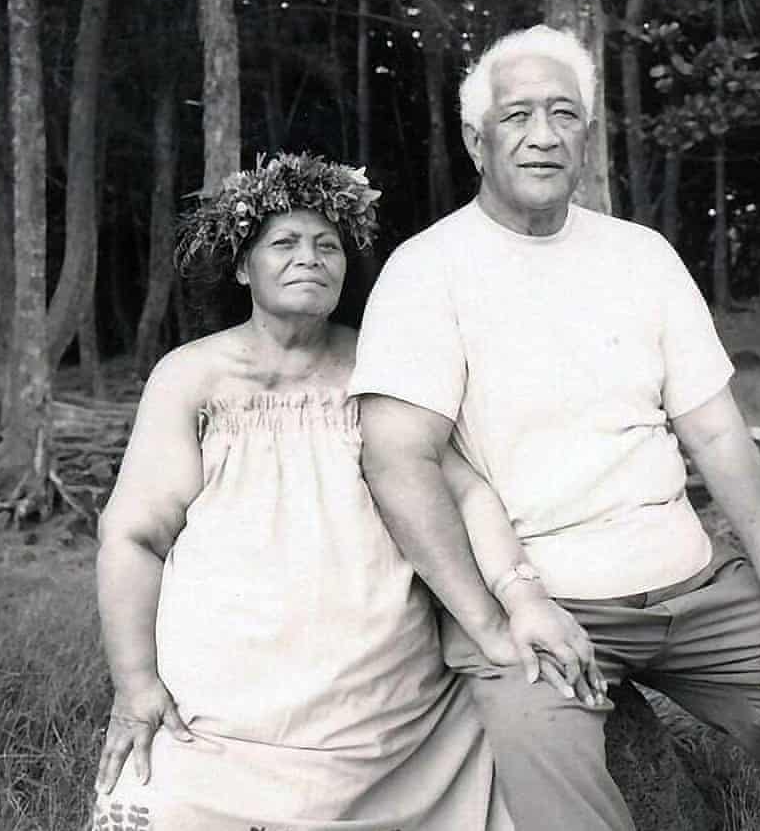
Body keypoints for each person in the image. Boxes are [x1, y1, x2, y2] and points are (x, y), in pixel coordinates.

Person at [348, 25, 760, 831]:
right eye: (518, 115)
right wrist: (494, 624)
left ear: (588, 134)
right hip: (542, 600)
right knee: (566, 811)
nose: (544, 135)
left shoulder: (641, 255)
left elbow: (721, 436)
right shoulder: (427, 270)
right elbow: (396, 461)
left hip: (693, 586)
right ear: (476, 140)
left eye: (564, 114)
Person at [92, 151, 517, 830]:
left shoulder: (383, 366)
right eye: (283, 243)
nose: (310, 257)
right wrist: (135, 683)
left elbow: (463, 493)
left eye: (327, 245)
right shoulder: (192, 376)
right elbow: (132, 536)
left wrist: (509, 605)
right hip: (222, 707)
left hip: (385, 708)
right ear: (241, 267)